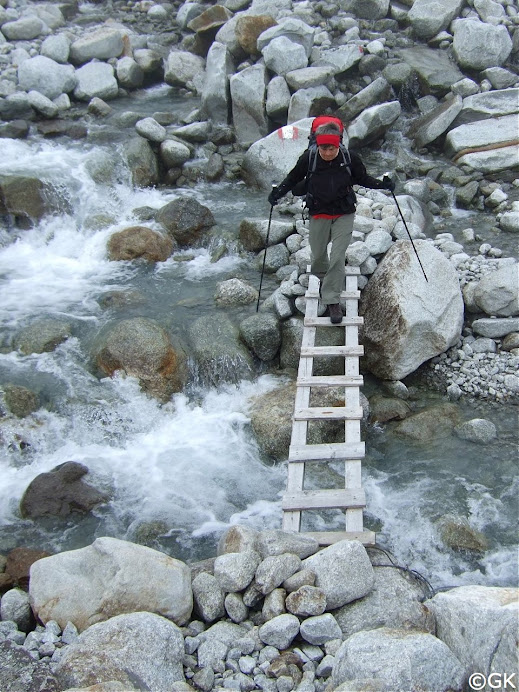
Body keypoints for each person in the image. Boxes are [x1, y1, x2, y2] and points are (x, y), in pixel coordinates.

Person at [268, 121, 395, 323]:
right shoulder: (309, 158)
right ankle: (321, 277)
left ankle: (331, 300)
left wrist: (383, 185)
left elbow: (363, 178)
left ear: (338, 146)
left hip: (344, 212)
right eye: (323, 148)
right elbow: (293, 178)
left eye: (331, 148)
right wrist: (278, 192)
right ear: (317, 145)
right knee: (318, 254)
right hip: (318, 211)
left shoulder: (349, 158)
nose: (327, 152)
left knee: (337, 257)